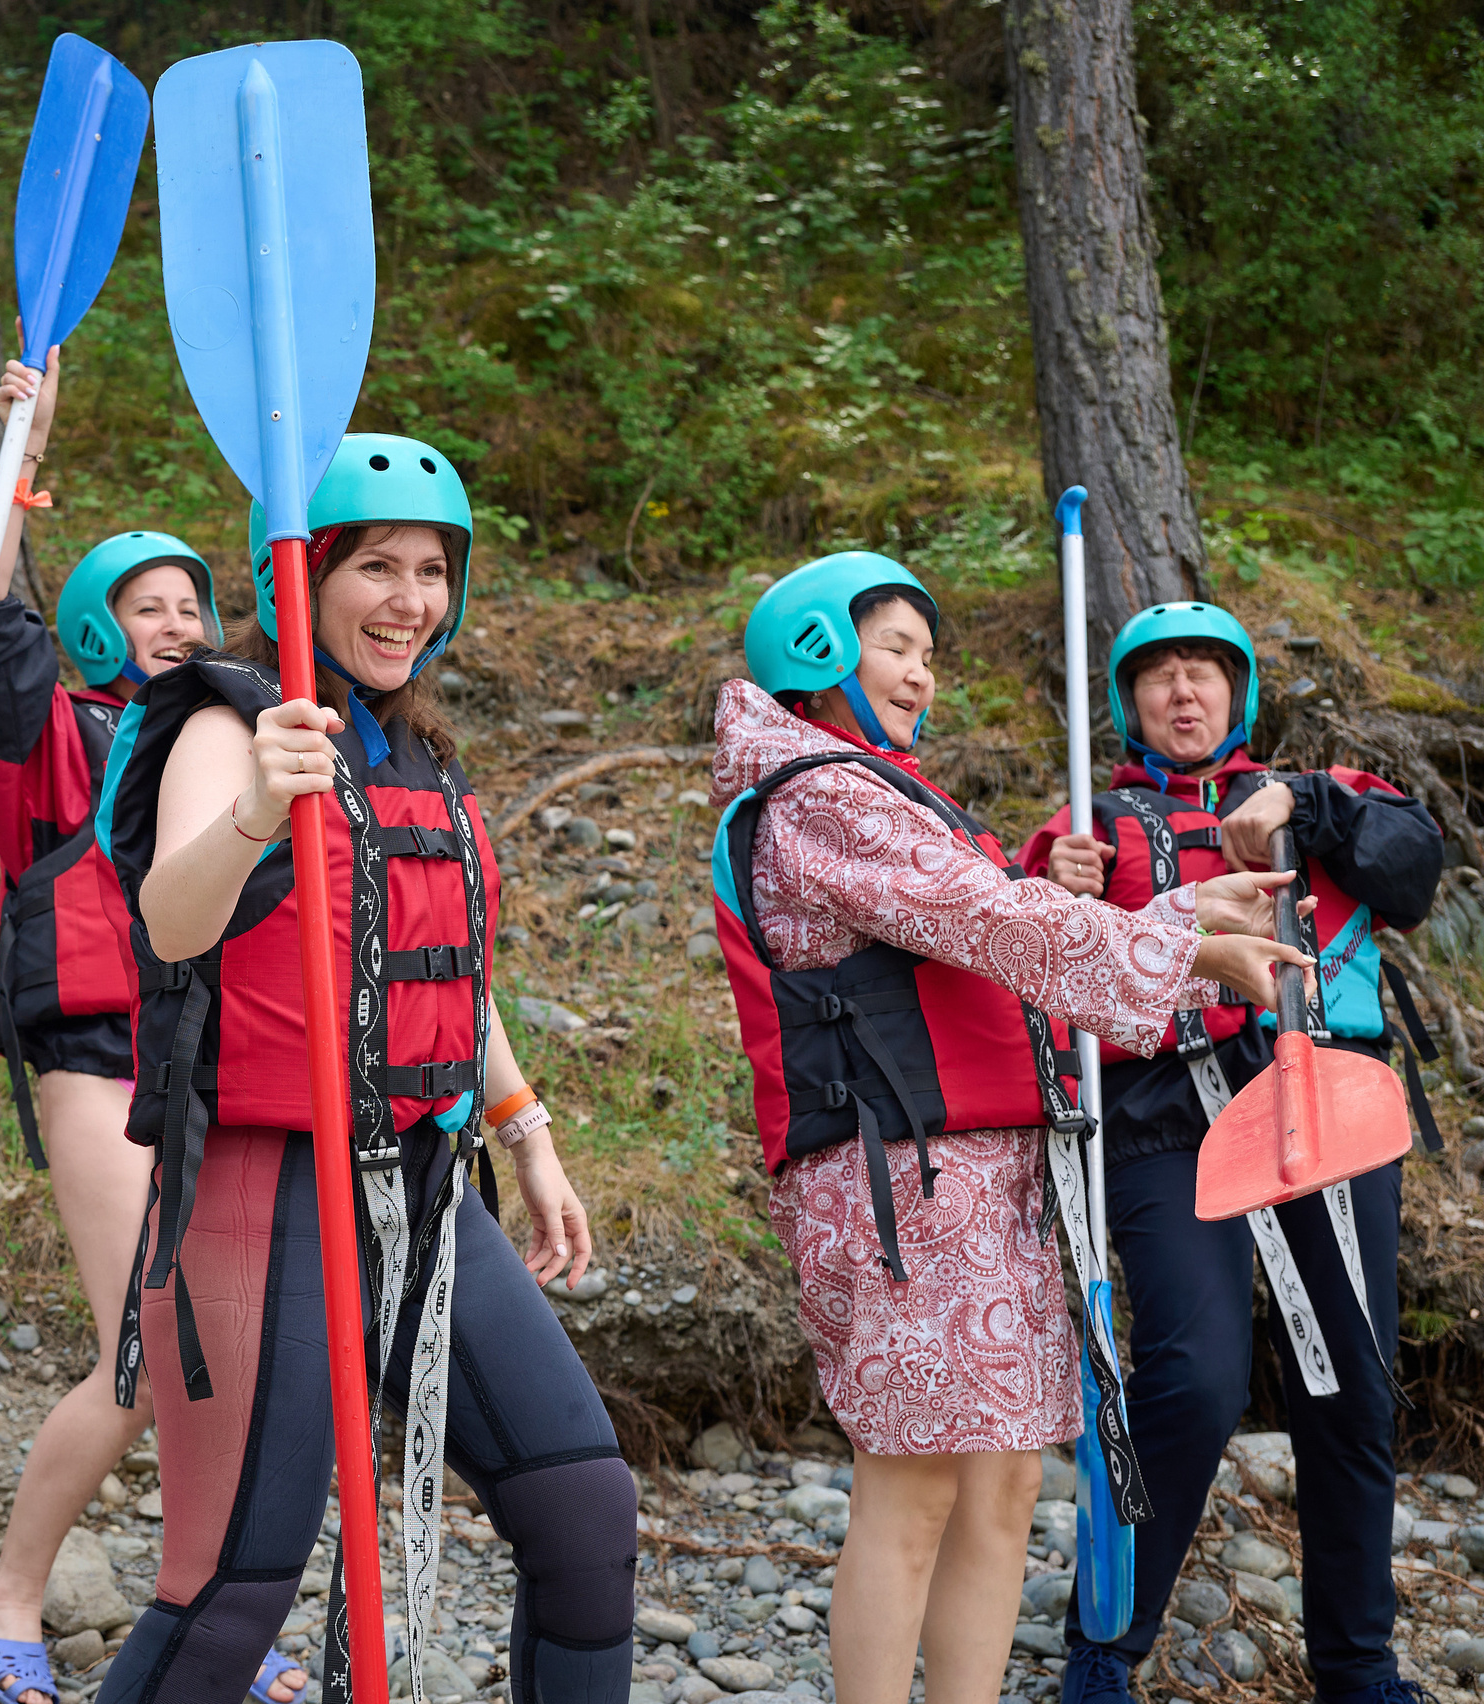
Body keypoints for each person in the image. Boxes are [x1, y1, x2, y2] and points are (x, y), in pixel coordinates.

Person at [96, 435, 643, 1704]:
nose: (411, 600)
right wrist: (251, 807)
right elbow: (170, 924)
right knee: (233, 1591)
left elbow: (435, 966)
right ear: (304, 572)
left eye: (435, 571)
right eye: (377, 568)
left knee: (581, 1514)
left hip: (423, 1184)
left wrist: (527, 1130)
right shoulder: (235, 727)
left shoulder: (418, 752)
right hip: (262, 1184)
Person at [712, 555, 1315, 1704]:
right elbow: (989, 918)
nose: (920, 675)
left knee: (999, 1487)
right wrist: (1183, 935)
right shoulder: (819, 798)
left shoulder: (888, 792)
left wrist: (1182, 924)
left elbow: (1013, 936)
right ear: (818, 650)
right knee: (917, 1490)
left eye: (927, 657)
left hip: (985, 1178)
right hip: (898, 1183)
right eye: (896, 646)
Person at [0, 352, 306, 1704]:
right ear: (99, 624)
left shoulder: (219, 743)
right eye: (145, 605)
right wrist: (27, 454)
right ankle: (4, 1597)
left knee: (215, 1358)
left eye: (190, 603)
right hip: (92, 1059)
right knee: (148, 1352)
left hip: (204, 1068)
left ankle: (205, 1621)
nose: (174, 621)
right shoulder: (47, 738)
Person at [1026, 602, 1444, 1704]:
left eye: (1203, 674)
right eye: (1157, 676)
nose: (1181, 693)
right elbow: (1024, 963)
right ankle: (1104, 1645)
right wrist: (1044, 883)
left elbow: (1411, 872)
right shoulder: (1091, 826)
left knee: (1350, 1387)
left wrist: (1301, 802)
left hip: (1320, 1112)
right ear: (1128, 705)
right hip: (1168, 1118)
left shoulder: (1319, 798)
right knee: (1194, 1378)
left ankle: (1355, 1666)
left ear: (1237, 694)